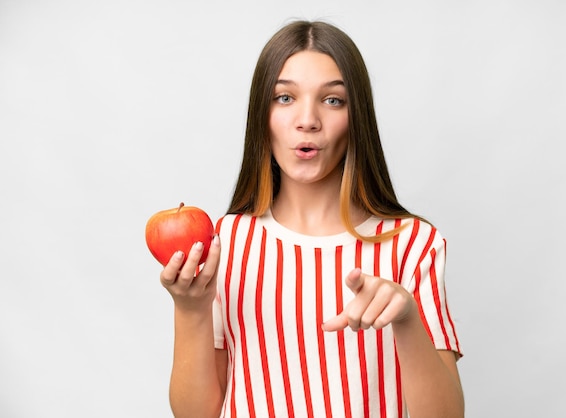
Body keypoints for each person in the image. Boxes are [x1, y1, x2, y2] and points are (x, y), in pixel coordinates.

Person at [159, 20, 464, 418]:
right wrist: (190, 310)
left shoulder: (413, 245)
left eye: (333, 100)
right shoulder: (224, 244)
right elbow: (196, 414)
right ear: (261, 116)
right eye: (284, 98)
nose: (308, 119)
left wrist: (406, 318)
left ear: (358, 118)